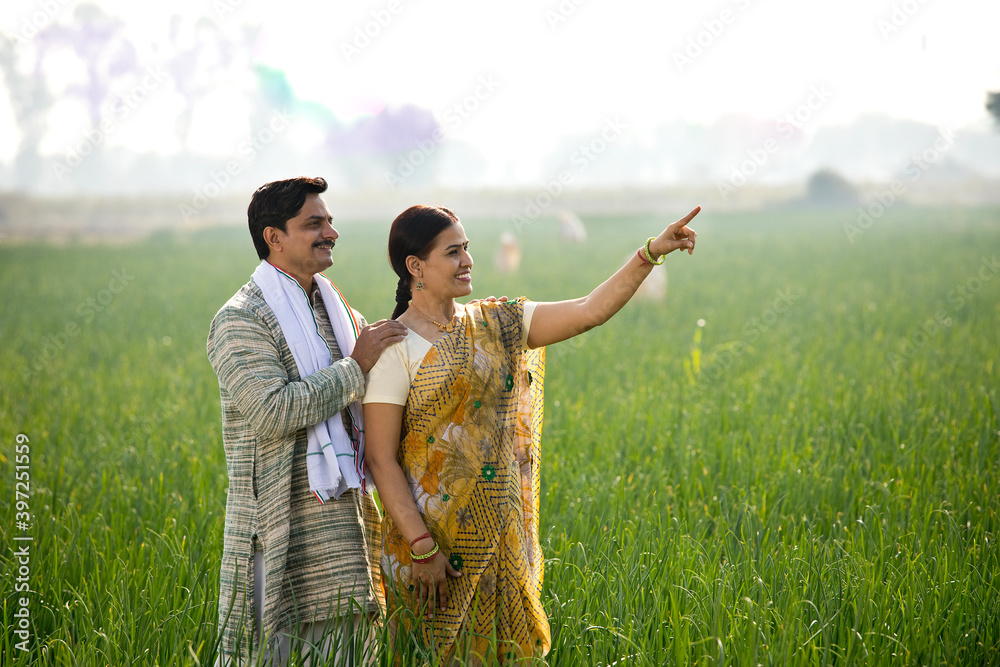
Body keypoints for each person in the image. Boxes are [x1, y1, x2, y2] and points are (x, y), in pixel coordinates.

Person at [363, 204, 699, 663]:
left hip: (501, 540)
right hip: (431, 550)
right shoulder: (393, 347)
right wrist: (422, 548)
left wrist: (649, 253)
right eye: (453, 252)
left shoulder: (497, 322)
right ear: (415, 266)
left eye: (467, 248)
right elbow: (381, 459)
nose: (468, 260)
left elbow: (587, 311)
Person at [206, 176, 407, 666]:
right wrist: (355, 366)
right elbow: (272, 410)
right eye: (313, 223)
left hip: (346, 536)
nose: (330, 232)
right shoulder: (241, 319)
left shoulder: (336, 310)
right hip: (277, 536)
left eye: (330, 221)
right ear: (274, 237)